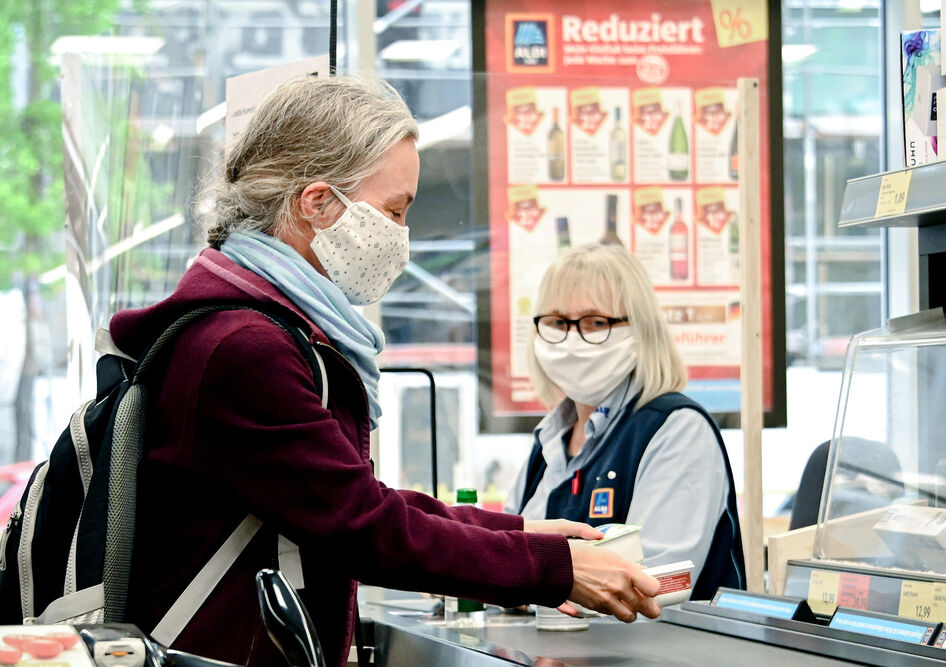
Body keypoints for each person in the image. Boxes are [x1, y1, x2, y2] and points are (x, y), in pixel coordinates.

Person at [110, 77, 660, 666]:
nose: (402, 237)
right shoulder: (244, 346)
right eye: (395, 210)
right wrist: (551, 570)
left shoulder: (254, 326)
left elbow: (350, 497)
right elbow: (362, 524)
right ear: (316, 203)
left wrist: (520, 533)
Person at [504, 243, 746, 600]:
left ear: (640, 329)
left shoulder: (676, 430)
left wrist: (526, 587)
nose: (572, 340)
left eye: (595, 322)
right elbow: (507, 553)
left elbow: (650, 586)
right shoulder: (550, 441)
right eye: (557, 322)